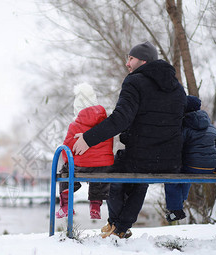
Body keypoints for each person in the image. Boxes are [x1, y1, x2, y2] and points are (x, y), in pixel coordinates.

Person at [72, 41, 187, 238]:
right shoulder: (177, 88)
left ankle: (118, 225)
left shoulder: (134, 82)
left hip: (141, 156)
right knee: (140, 181)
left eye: (131, 58)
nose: (127, 63)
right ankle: (119, 227)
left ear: (143, 61)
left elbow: (121, 119)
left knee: (113, 176)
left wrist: (88, 138)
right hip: (171, 160)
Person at [57, 82, 114, 219]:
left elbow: (66, 152)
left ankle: (66, 205)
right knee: (99, 172)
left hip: (81, 167)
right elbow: (108, 147)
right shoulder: (105, 125)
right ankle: (95, 207)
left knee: (65, 170)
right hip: (103, 168)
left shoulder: (75, 125)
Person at [164, 96, 216, 222]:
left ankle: (176, 208)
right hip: (210, 168)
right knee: (186, 173)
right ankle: (179, 203)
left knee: (172, 177)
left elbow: (178, 147)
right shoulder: (211, 127)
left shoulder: (184, 126)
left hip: (191, 167)